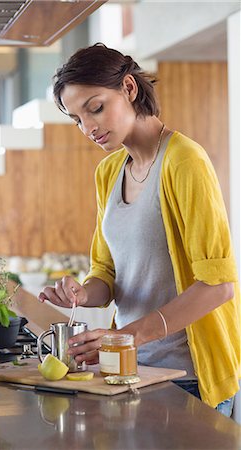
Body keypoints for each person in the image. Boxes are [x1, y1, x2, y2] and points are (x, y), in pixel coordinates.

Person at [38, 43, 240, 416]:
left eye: (95, 108)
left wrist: (124, 337)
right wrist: (81, 293)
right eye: (77, 119)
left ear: (129, 88)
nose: (88, 127)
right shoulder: (109, 172)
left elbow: (218, 285)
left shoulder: (184, 161)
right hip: (130, 369)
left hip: (189, 374)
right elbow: (107, 274)